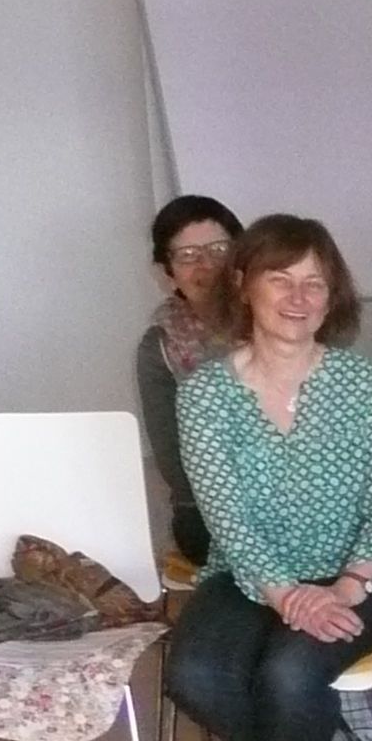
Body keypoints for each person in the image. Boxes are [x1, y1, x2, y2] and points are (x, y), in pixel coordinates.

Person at [163, 214, 372, 741]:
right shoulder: (205, 395)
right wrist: (284, 593)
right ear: (244, 283)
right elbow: (227, 519)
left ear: (332, 297)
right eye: (282, 279)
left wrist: (346, 586)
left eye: (315, 283)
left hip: (368, 576)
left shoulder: (361, 383)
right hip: (252, 574)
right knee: (192, 674)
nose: (299, 298)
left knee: (289, 672)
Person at [130, 192, 240, 567]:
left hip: (308, 494)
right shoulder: (160, 346)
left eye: (219, 249)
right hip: (210, 511)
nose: (207, 266)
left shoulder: (285, 317)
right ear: (167, 272)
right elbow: (175, 462)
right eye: (188, 257)